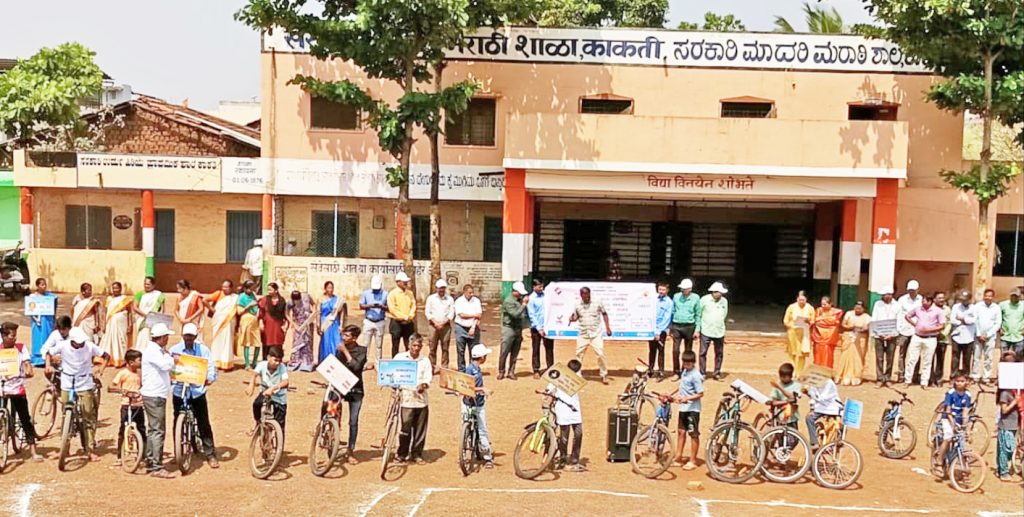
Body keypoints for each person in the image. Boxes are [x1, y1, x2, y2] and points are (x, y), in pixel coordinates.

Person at [46, 326, 109, 462]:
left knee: (88, 416)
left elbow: (105, 356)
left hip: (84, 382)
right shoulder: (63, 346)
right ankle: (65, 448)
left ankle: (89, 449)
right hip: (67, 382)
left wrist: (101, 369)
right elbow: (48, 353)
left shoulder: (90, 346)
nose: (80, 344)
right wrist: (48, 365)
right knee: (65, 414)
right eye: (77, 342)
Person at [170, 323, 219, 468]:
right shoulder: (175, 350)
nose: (189, 339)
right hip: (180, 390)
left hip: (197, 391)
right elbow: (169, 365)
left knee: (203, 422)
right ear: (182, 336)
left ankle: (210, 454)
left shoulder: (203, 350)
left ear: (195, 336)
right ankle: (178, 452)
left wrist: (209, 378)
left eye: (191, 336)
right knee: (177, 420)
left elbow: (210, 366)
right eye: (186, 336)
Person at [0, 326, 43, 461]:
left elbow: (26, 362)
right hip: (2, 386)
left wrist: (28, 370)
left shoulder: (20, 348)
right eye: (12, 336)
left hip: (17, 386)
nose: (14, 338)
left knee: (25, 418)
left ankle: (33, 450)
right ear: (4, 336)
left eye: (15, 335)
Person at [140, 323, 175, 478]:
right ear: (160, 338)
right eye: (166, 336)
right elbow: (166, 365)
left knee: (153, 429)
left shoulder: (156, 350)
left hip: (154, 394)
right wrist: (171, 358)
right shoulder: (154, 352)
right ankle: (156, 466)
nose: (167, 339)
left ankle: (150, 460)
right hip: (155, 395)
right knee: (158, 431)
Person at [334, 325, 370, 463]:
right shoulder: (339, 349)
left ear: (354, 338)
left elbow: (356, 367)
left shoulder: (362, 351)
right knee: (330, 410)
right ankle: (330, 438)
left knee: (353, 421)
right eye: (343, 335)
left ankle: (350, 450)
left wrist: (345, 352)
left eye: (347, 336)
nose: (343, 338)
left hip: (356, 389)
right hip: (340, 387)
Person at [394, 335, 432, 464]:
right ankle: (402, 453)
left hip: (421, 400)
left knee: (420, 429)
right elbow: (391, 374)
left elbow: (428, 379)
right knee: (405, 428)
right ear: (409, 345)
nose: (416, 348)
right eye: (414, 345)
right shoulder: (399, 358)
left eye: (418, 346)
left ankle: (417, 454)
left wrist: (423, 386)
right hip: (406, 399)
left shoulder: (425, 361)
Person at [108, 349, 145, 467]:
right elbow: (111, 387)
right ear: (131, 362)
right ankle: (120, 456)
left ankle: (143, 455)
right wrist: (121, 390)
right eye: (139, 360)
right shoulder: (123, 373)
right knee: (123, 430)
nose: (141, 362)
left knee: (142, 429)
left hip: (138, 405)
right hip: (126, 404)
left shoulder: (140, 373)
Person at [570, 287, 613, 384]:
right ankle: (578, 375)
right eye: (584, 296)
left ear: (590, 294)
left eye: (588, 296)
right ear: (581, 295)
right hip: (583, 333)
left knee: (600, 353)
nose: (586, 298)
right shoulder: (577, 304)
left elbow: (604, 314)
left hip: (596, 333)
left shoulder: (597, 302)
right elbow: (576, 317)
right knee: (579, 354)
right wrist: (572, 319)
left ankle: (604, 374)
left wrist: (608, 327)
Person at [463, 343, 496, 469]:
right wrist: (483, 389)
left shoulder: (473, 368)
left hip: (468, 402)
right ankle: (487, 457)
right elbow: (469, 386)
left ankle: (472, 450)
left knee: (467, 424)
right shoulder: (472, 370)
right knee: (482, 429)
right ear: (482, 357)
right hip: (476, 403)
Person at [903, 294, 944, 389]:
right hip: (917, 337)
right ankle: (907, 380)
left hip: (930, 338)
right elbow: (907, 316)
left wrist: (929, 330)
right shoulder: (918, 309)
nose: (922, 303)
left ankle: (924, 382)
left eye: (924, 301)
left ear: (930, 302)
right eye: (922, 301)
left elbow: (942, 325)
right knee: (912, 359)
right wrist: (915, 325)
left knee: (927, 361)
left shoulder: (938, 311)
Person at [247, 347, 289, 440]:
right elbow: (255, 374)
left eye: (279, 361)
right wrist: (251, 384)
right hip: (265, 393)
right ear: (269, 357)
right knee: (256, 404)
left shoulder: (282, 367)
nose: (277, 363)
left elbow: (286, 382)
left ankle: (279, 449)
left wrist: (274, 388)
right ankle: (258, 423)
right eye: (275, 360)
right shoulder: (262, 365)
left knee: (280, 425)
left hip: (279, 397)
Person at [671, 350, 704, 470]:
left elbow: (700, 393)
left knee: (693, 434)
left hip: (693, 409)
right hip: (683, 408)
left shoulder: (696, 375)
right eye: (684, 363)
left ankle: (693, 460)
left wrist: (686, 398)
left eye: (688, 363)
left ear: (693, 363)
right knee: (681, 431)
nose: (686, 365)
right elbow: (682, 386)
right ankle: (678, 457)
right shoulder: (685, 372)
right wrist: (672, 395)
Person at [549, 358, 583, 472]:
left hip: (575, 410)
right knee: (564, 437)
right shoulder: (559, 376)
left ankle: (575, 459)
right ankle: (563, 459)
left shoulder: (578, 377)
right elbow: (549, 388)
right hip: (563, 409)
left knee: (578, 434)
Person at [934, 371, 971, 470]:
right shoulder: (950, 393)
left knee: (961, 440)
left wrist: (965, 426)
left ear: (966, 382)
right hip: (948, 418)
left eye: (962, 381)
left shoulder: (967, 395)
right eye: (957, 381)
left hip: (958, 419)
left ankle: (955, 461)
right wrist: (953, 423)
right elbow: (948, 410)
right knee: (948, 438)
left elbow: (965, 412)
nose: (959, 383)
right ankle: (939, 461)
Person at [995, 351, 1021, 481]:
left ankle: (1002, 469)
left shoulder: (1017, 391)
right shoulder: (1005, 393)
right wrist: (1015, 402)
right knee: (1006, 449)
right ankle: (1003, 471)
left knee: (1007, 448)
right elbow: (1004, 410)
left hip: (1014, 424)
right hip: (1006, 424)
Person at [697, 282, 729, 380]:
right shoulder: (704, 300)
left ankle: (717, 373)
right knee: (702, 353)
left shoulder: (724, 301)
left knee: (719, 353)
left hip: (719, 331)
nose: (720, 294)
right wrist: (698, 329)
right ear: (714, 292)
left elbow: (724, 314)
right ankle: (702, 373)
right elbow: (699, 314)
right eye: (718, 292)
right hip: (706, 330)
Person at [670, 278, 701, 381]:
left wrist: (697, 329)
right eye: (682, 288)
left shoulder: (696, 298)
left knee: (688, 351)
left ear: (690, 289)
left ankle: (686, 371)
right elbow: (672, 311)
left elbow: (698, 314)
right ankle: (676, 372)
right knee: (675, 350)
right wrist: (670, 327)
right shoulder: (676, 296)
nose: (683, 290)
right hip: (677, 326)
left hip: (689, 326)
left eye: (685, 289)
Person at [835, 301, 871, 386]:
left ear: (863, 309)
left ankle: (856, 377)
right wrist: (851, 327)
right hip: (848, 336)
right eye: (856, 307)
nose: (857, 310)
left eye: (860, 308)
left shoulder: (867, 317)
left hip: (860, 339)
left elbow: (869, 327)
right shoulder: (849, 314)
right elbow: (843, 324)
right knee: (845, 356)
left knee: (858, 358)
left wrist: (861, 329)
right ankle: (843, 376)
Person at [498, 281, 529, 380]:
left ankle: (511, 371)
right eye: (519, 293)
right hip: (509, 328)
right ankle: (501, 371)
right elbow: (515, 314)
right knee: (504, 351)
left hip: (518, 328)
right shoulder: (509, 301)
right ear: (514, 291)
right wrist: (524, 305)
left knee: (515, 352)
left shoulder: (519, 300)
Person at [871, 288, 900, 386]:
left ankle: (888, 378)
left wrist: (892, 334)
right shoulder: (877, 304)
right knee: (879, 358)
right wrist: (879, 333)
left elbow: (899, 320)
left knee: (890, 358)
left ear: (892, 294)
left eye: (888, 294)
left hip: (892, 335)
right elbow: (874, 318)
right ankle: (879, 378)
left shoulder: (897, 305)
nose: (886, 296)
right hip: (879, 335)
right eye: (884, 294)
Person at [207, 280, 239, 370]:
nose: (224, 289)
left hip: (229, 322)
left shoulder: (235, 297)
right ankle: (215, 361)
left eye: (226, 287)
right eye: (223, 287)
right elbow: (205, 300)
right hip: (218, 321)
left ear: (231, 288)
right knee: (217, 341)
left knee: (228, 341)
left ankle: (227, 363)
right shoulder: (218, 294)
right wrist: (212, 309)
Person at [424, 279, 455, 373]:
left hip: (445, 326)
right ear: (436, 288)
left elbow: (451, 313)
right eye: (439, 288)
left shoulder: (450, 299)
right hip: (433, 326)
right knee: (432, 347)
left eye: (443, 288)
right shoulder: (431, 298)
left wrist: (443, 323)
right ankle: (432, 367)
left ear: (445, 289)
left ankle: (444, 367)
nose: (441, 290)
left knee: (445, 347)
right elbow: (427, 312)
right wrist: (435, 323)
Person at [895, 280, 923, 381]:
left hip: (917, 331)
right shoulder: (902, 300)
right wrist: (898, 329)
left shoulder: (921, 300)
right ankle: (901, 375)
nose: (912, 292)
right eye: (910, 290)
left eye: (914, 290)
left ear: (918, 290)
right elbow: (898, 315)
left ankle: (914, 375)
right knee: (902, 354)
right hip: (904, 330)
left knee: (916, 354)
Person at [100, 281, 132, 368]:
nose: (115, 290)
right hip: (110, 323)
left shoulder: (125, 299)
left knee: (121, 340)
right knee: (110, 340)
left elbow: (129, 312)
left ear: (120, 289)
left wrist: (130, 324)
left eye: (117, 288)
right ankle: (110, 359)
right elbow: (104, 312)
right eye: (113, 288)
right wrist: (103, 324)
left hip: (122, 323)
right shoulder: (109, 299)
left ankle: (121, 359)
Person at [804, 376, 842, 450]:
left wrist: (808, 392)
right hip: (820, 408)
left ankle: (839, 440)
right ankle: (814, 442)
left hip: (833, 406)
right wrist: (812, 409)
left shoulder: (829, 383)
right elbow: (813, 399)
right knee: (809, 418)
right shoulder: (814, 382)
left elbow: (822, 398)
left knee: (840, 423)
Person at [973, 288, 1002, 385]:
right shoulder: (977, 306)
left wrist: (988, 334)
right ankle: (975, 376)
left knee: (988, 358)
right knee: (976, 357)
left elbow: (998, 323)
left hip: (990, 336)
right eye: (986, 295)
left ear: (993, 297)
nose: (988, 297)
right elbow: (975, 320)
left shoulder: (996, 308)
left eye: (990, 296)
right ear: (983, 296)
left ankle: (986, 377)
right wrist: (978, 334)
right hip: (978, 336)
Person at [783, 291, 815, 375]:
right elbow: (785, 320)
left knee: (802, 353)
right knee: (792, 352)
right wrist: (790, 325)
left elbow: (813, 321)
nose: (801, 301)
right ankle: (792, 371)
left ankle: (799, 372)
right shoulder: (791, 307)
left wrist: (808, 321)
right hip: (793, 332)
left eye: (803, 300)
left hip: (804, 333)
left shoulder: (810, 308)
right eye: (800, 300)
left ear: (806, 300)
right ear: (797, 299)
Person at [359, 275, 388, 365]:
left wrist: (381, 306)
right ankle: (364, 362)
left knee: (379, 345)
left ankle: (378, 363)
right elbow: (361, 305)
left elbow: (389, 308)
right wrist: (370, 306)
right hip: (368, 321)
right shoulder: (366, 293)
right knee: (366, 344)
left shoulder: (385, 294)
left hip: (380, 321)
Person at [527, 279, 554, 379]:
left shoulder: (546, 295)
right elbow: (532, 315)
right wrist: (539, 329)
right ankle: (536, 370)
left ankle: (550, 368)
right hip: (536, 328)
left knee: (550, 349)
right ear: (534, 287)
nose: (541, 288)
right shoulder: (531, 298)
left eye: (542, 286)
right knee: (536, 348)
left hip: (547, 326)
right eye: (539, 287)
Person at [453, 284, 482, 372]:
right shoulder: (459, 301)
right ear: (464, 292)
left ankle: (472, 368)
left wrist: (473, 327)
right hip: (461, 327)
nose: (471, 294)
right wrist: (473, 315)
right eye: (469, 293)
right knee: (460, 350)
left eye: (472, 292)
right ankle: (461, 370)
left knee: (473, 350)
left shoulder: (476, 301)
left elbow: (479, 315)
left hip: (473, 326)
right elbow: (461, 315)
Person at [387, 272, 416, 357]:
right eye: (404, 281)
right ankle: (395, 363)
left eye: (406, 281)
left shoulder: (410, 293)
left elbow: (413, 305)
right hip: (396, 323)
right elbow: (392, 309)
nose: (406, 283)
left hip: (408, 323)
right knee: (395, 345)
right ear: (398, 282)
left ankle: (409, 362)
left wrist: (410, 316)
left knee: (409, 344)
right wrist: (404, 317)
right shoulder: (392, 294)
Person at [133, 276, 166, 350]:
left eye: (148, 284)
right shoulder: (139, 294)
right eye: (145, 284)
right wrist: (146, 315)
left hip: (155, 320)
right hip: (143, 320)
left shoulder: (159, 295)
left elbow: (162, 309)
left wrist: (158, 318)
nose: (146, 286)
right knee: (143, 336)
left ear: (153, 285)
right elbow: (135, 307)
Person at [810, 296, 843, 369]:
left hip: (829, 338)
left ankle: (827, 373)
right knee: (817, 356)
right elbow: (816, 322)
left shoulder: (837, 312)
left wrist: (821, 319)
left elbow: (834, 322)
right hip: (818, 337)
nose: (823, 306)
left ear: (830, 304)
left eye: (825, 304)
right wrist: (826, 320)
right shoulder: (818, 310)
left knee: (828, 356)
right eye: (822, 304)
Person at [30, 277, 57, 366]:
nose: (44, 286)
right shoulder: (33, 297)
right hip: (37, 322)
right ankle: (38, 359)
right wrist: (36, 319)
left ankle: (48, 358)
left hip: (48, 321)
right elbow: (30, 309)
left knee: (48, 338)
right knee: (38, 339)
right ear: (37, 286)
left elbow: (54, 307)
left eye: (45, 284)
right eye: (42, 284)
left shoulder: (50, 296)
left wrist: (54, 319)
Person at [949, 290, 977, 378]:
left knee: (967, 358)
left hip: (969, 336)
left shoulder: (974, 308)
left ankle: (965, 376)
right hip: (957, 335)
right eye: (962, 300)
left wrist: (962, 318)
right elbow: (953, 320)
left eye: (965, 300)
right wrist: (965, 320)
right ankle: (954, 376)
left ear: (969, 299)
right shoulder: (956, 307)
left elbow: (973, 320)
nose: (963, 301)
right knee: (955, 358)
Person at [649, 282, 673, 379]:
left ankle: (661, 371)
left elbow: (666, 319)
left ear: (667, 290)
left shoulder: (669, 302)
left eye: (663, 290)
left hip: (661, 330)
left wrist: (658, 332)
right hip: (652, 329)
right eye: (660, 289)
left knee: (661, 350)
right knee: (652, 350)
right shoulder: (653, 299)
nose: (661, 291)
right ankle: (650, 370)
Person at [259, 282, 289, 360]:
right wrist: (261, 323)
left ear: (276, 290)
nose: (269, 291)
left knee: (278, 342)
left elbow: (285, 314)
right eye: (268, 290)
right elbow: (261, 312)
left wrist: (285, 325)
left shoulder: (282, 300)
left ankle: (278, 360)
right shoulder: (265, 299)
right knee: (266, 342)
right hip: (267, 325)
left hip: (278, 325)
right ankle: (266, 361)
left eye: (270, 290)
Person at [286, 290, 315, 372]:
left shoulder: (306, 297)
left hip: (307, 324)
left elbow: (314, 304)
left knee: (307, 343)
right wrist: (293, 323)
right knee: (297, 343)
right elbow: (287, 313)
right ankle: (296, 362)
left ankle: (306, 363)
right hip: (298, 325)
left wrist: (313, 312)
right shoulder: (290, 302)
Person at [318, 280, 345, 364]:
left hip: (334, 322)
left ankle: (336, 359)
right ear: (325, 288)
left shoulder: (337, 300)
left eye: (332, 287)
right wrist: (318, 324)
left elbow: (342, 312)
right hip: (325, 323)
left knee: (336, 340)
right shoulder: (320, 299)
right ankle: (325, 360)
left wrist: (341, 324)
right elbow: (318, 312)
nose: (331, 289)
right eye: (329, 287)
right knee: (326, 341)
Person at [767, 363, 801, 429]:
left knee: (793, 437)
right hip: (779, 416)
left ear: (791, 376)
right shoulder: (777, 385)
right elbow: (773, 401)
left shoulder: (796, 385)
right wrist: (786, 402)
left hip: (792, 418)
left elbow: (792, 397)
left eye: (784, 377)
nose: (782, 378)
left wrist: (780, 388)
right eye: (781, 376)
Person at [237, 280, 262, 369]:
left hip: (255, 320)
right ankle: (247, 363)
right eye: (250, 289)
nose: (251, 291)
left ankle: (254, 362)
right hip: (246, 320)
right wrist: (249, 306)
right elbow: (239, 311)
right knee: (247, 342)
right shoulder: (241, 297)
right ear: (245, 288)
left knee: (257, 342)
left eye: (253, 289)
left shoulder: (253, 295)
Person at [933, 292, 953, 387]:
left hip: (943, 338)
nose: (941, 300)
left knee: (940, 360)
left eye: (943, 298)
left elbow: (949, 323)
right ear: (934, 299)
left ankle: (938, 379)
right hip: (931, 337)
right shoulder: (931, 309)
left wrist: (944, 333)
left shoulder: (947, 309)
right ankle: (930, 379)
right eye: (939, 298)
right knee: (930, 359)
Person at [999, 288, 1024, 360]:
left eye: (1016, 296)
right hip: (1005, 335)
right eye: (1012, 295)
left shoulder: (1023, 305)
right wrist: (999, 328)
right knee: (1004, 357)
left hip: (1019, 335)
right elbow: (998, 317)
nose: (1014, 297)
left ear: (1019, 296)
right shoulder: (1003, 305)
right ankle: (1004, 371)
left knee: (1019, 358)